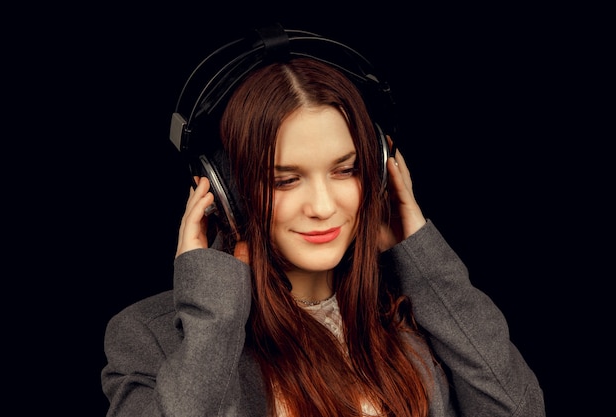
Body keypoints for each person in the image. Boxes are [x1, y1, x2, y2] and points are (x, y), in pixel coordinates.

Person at [101, 24, 545, 417]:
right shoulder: (149, 338)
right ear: (225, 193)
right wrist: (213, 317)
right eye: (285, 180)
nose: (322, 206)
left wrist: (425, 262)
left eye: (345, 170)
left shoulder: (421, 314)